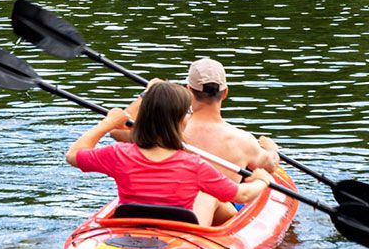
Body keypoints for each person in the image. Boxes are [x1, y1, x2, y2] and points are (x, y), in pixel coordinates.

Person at [66, 80, 272, 226]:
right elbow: (242, 195)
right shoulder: (194, 165)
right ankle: (230, 232)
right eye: (188, 112)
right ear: (180, 120)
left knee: (208, 195)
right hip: (180, 234)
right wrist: (263, 180)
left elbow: (73, 155)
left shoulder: (118, 154)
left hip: (132, 228)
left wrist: (107, 124)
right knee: (209, 195)